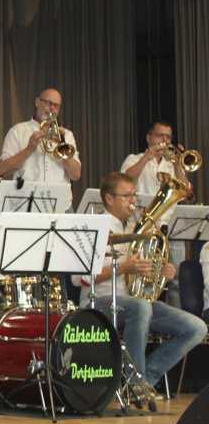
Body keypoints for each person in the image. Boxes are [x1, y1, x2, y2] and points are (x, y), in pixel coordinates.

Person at [74, 172, 206, 391]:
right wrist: (125, 267)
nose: (133, 201)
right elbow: (80, 278)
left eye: (134, 195)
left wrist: (160, 272)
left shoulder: (137, 229)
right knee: (142, 306)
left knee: (196, 328)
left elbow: (142, 279)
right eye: (127, 196)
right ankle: (136, 383)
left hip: (134, 303)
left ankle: (143, 379)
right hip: (97, 304)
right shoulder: (93, 229)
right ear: (109, 199)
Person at [121, 120, 194, 268]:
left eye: (168, 137)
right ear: (149, 138)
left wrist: (177, 165)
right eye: (160, 136)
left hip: (171, 227)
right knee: (146, 272)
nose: (165, 140)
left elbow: (187, 192)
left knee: (175, 276)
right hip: (143, 227)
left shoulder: (172, 164)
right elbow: (125, 180)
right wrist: (147, 157)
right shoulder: (134, 158)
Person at [0, 88, 81, 205]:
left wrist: (62, 146)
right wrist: (29, 149)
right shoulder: (18, 131)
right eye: (48, 103)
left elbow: (76, 175)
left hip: (61, 204)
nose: (52, 108)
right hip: (26, 203)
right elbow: (3, 170)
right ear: (37, 102)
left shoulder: (66, 134)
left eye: (56, 106)